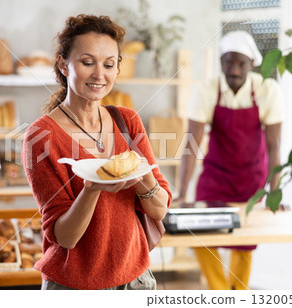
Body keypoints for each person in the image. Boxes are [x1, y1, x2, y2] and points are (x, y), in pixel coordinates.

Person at [22, 14, 172, 290]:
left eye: (109, 64)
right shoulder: (41, 136)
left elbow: (160, 208)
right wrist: (92, 189)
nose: (99, 75)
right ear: (63, 64)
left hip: (136, 280)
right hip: (75, 287)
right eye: (87, 62)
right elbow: (64, 237)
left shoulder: (127, 121)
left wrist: (141, 173)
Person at [178, 31, 284, 290]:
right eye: (228, 62)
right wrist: (181, 194)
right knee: (199, 235)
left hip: (252, 178)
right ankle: (222, 294)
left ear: (251, 64)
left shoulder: (267, 90)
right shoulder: (207, 90)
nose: (234, 70)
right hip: (215, 177)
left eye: (240, 63)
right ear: (221, 62)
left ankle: (235, 297)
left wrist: (275, 194)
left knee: (244, 242)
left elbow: (274, 146)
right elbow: (192, 144)